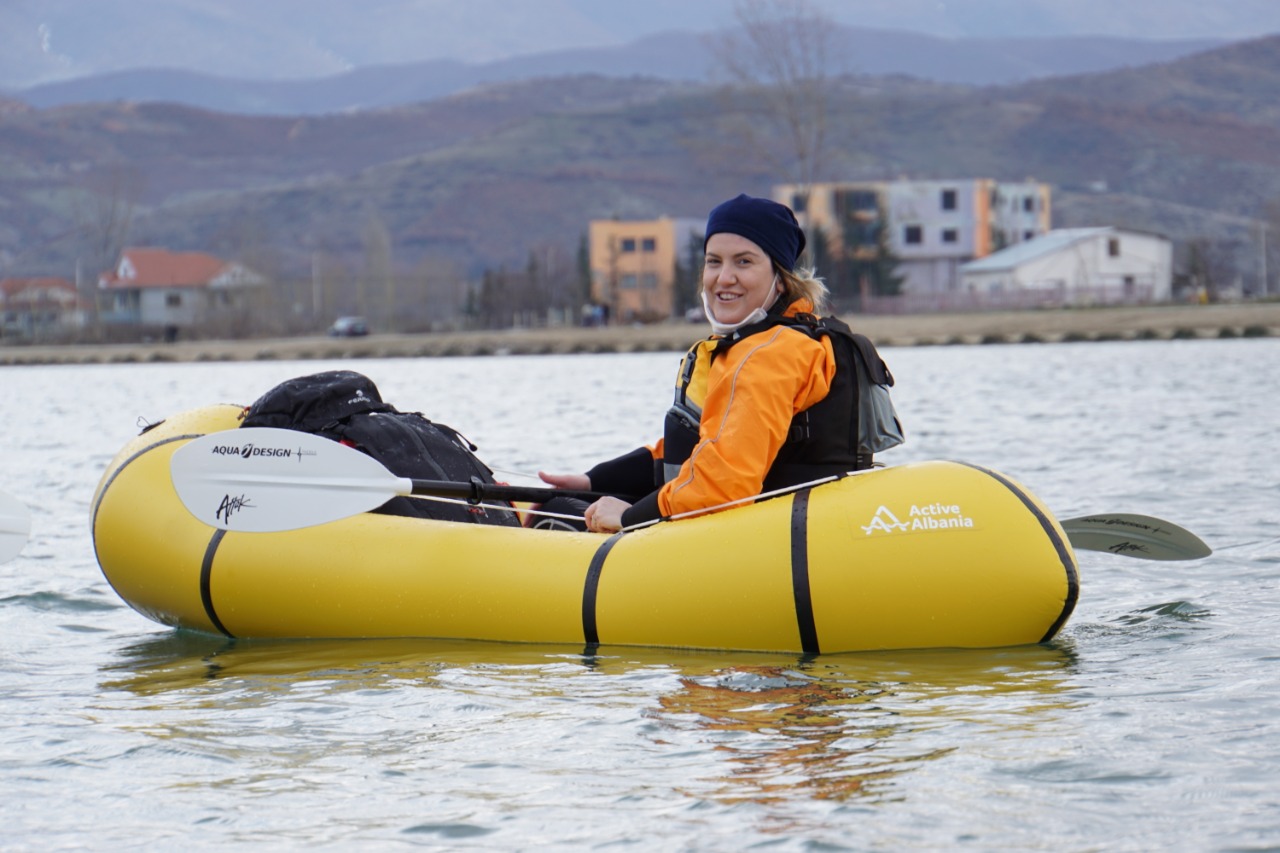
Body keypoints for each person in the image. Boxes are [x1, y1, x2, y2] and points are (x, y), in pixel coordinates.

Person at [532, 193, 894, 534]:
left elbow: (724, 483)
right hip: (777, 529)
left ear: (781, 280)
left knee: (556, 510)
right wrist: (597, 481)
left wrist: (628, 517)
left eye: (744, 261)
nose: (724, 278)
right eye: (714, 262)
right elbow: (703, 444)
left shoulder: (769, 355)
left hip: (761, 543)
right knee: (573, 499)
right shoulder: (781, 342)